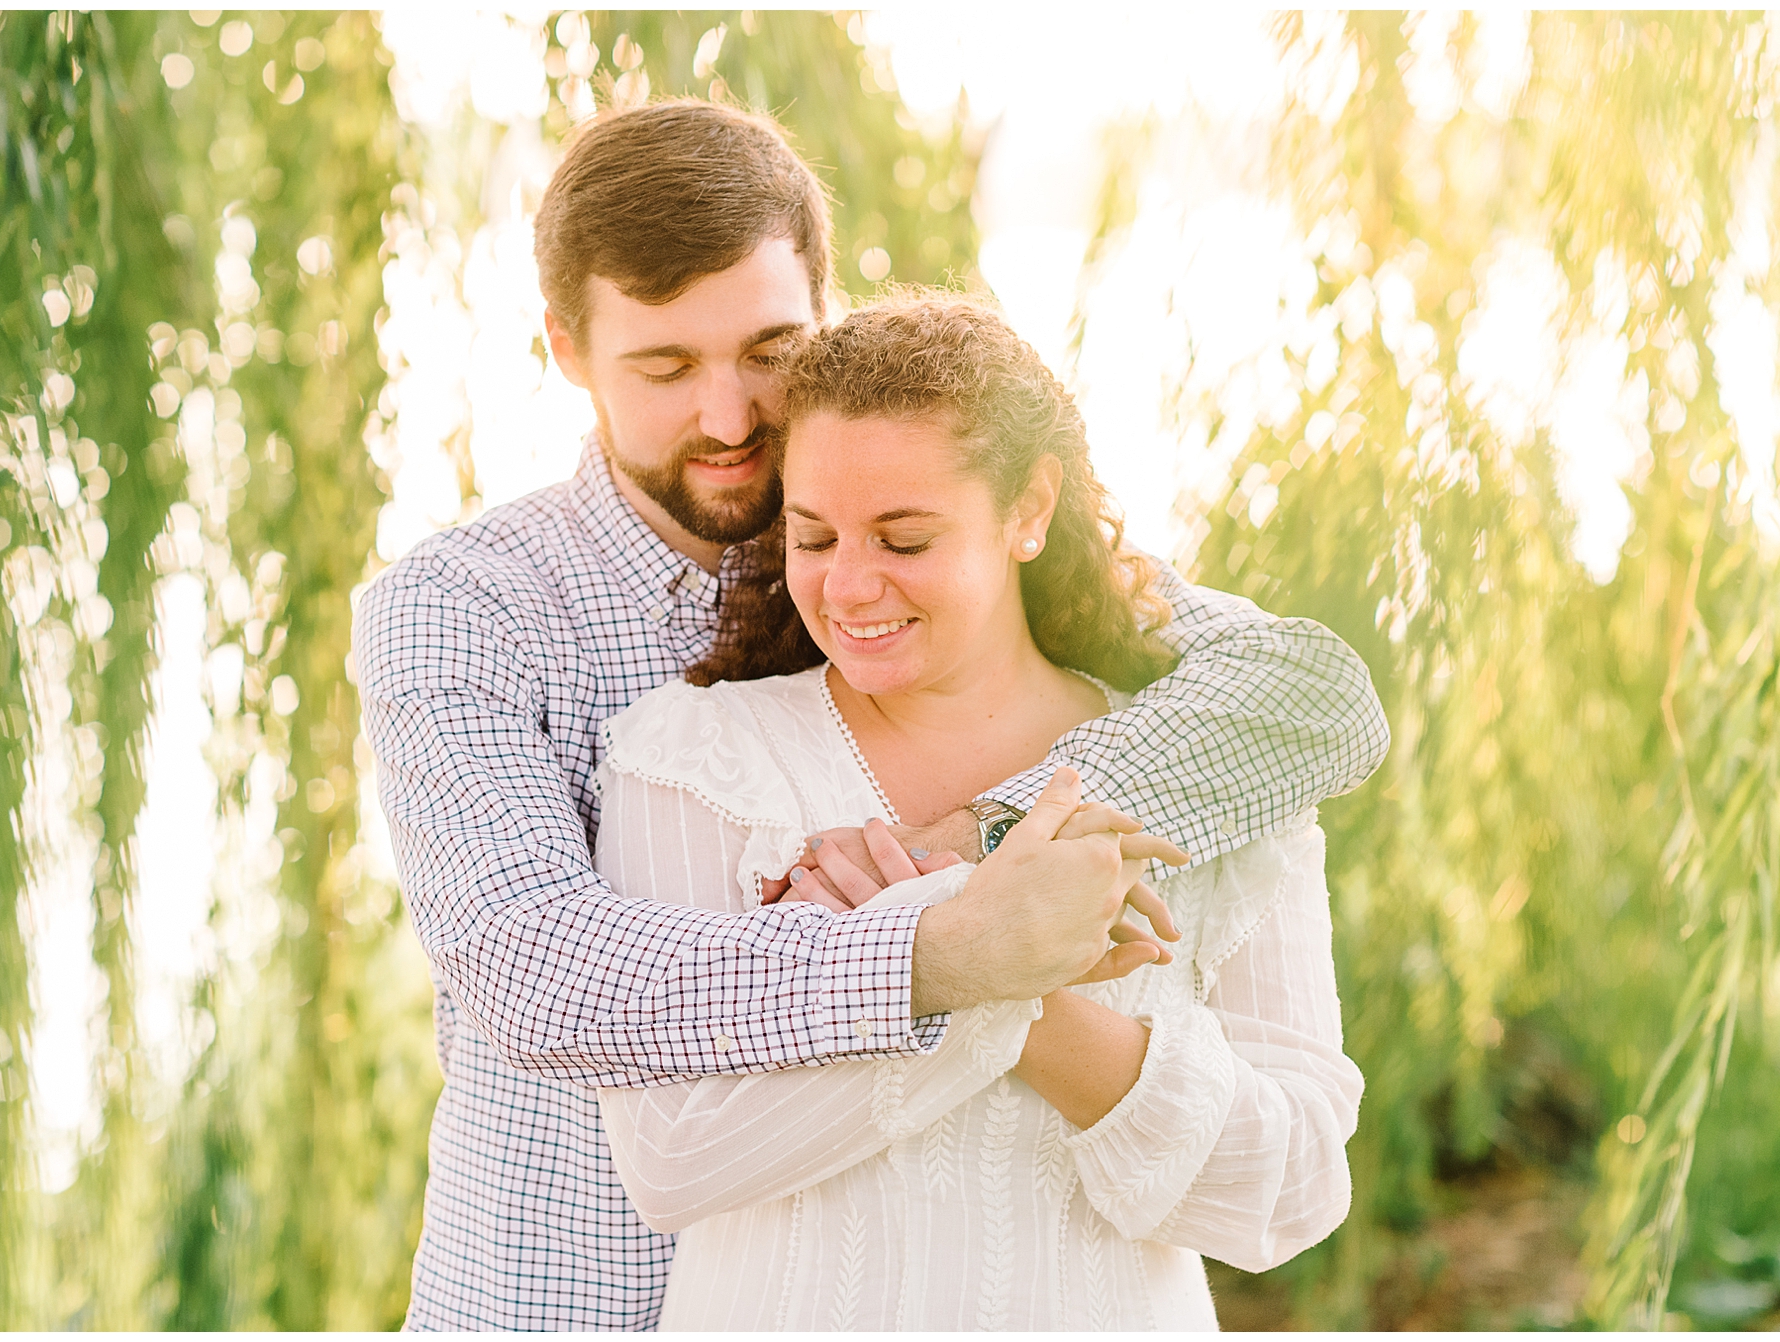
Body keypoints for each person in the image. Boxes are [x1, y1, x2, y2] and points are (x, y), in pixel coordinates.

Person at [351, 98, 1387, 1331]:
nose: (733, 419)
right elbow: (537, 970)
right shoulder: (466, 609)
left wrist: (972, 841)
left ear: (824, 313)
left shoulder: (922, 549)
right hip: (555, 1303)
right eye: (665, 368)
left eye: (770, 352)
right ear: (567, 351)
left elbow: (1303, 695)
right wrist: (941, 949)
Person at [590, 296, 1364, 1330]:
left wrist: (1014, 991)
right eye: (813, 535)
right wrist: (969, 954)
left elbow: (1291, 1190)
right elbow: (674, 1157)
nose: (850, 585)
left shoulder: (1214, 768)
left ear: (1026, 509)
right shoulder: (693, 761)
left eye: (903, 538)